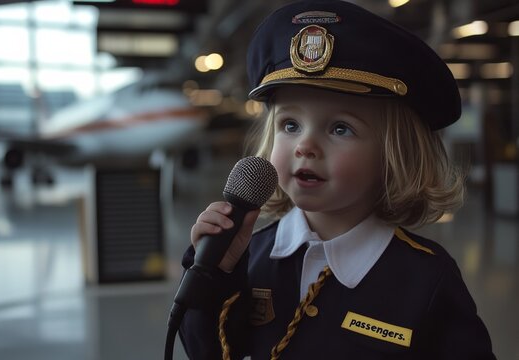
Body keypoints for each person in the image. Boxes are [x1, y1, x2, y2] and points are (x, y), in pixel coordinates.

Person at [178, 0, 496, 359]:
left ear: (393, 155)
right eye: (290, 125)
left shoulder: (427, 278)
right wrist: (214, 274)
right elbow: (207, 350)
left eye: (340, 128)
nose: (306, 146)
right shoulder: (247, 257)